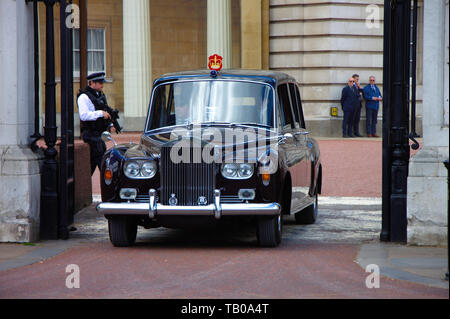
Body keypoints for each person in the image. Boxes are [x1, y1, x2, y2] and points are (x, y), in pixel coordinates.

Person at [77, 71, 113, 175]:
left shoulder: (99, 96)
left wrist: (110, 124)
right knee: (102, 164)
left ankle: (84, 186)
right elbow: (83, 115)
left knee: (92, 165)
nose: (102, 85)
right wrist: (100, 113)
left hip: (98, 135)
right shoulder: (84, 97)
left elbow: (105, 111)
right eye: (99, 82)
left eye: (102, 82)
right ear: (92, 83)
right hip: (91, 135)